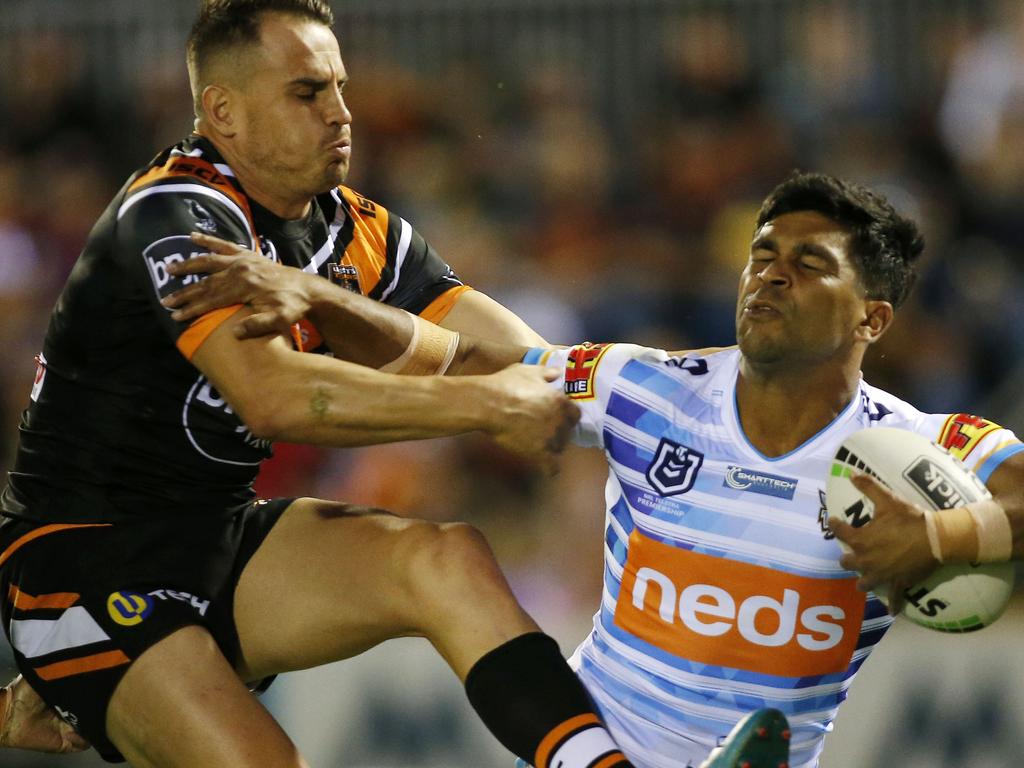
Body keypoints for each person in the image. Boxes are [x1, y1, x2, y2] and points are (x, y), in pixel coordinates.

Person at [159, 171, 1023, 768]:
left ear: (873, 318)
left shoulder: (913, 455)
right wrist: (318, 296)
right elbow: (465, 364)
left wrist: (945, 533)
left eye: (807, 265)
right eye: (762, 255)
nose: (769, 276)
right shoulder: (645, 390)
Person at [0, 2, 644, 767]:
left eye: (340, 87)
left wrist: (696, 399)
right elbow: (272, 395)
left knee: (446, 558)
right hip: (80, 560)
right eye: (308, 93)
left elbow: (537, 363)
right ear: (224, 112)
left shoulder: (356, 231)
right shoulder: (178, 213)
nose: (341, 113)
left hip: (217, 536)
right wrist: (478, 402)